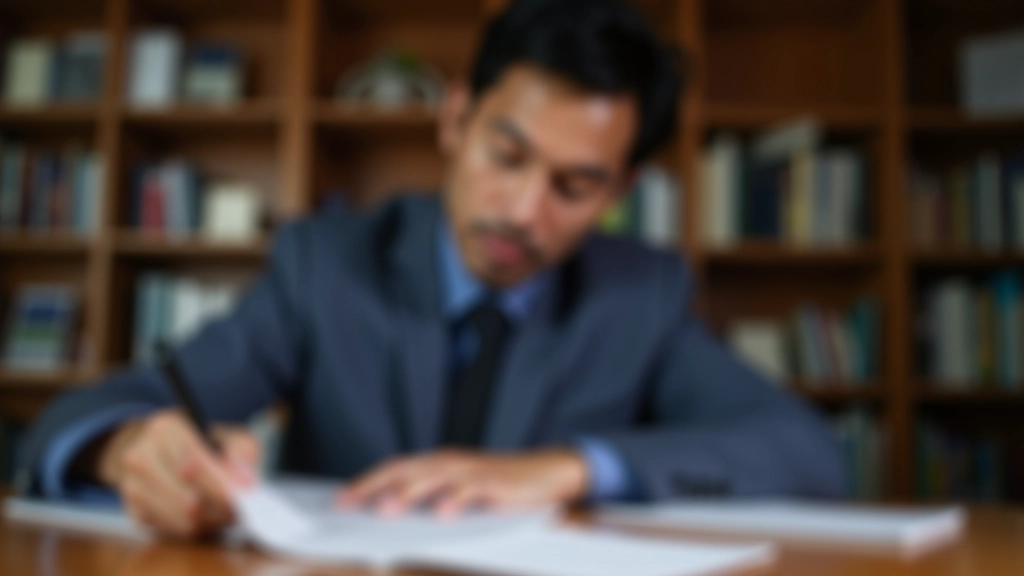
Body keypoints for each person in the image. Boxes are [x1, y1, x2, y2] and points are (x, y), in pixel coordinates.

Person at [17, 0, 846, 538]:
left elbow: (808, 452)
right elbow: (80, 416)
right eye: (506, 153)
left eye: (575, 185)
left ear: (621, 191)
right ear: (455, 117)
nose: (524, 210)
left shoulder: (641, 295)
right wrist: (131, 449)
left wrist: (575, 466)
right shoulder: (325, 266)